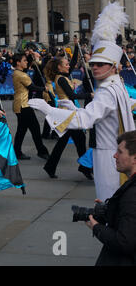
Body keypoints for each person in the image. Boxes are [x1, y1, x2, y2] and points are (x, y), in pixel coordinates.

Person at [29, 35, 135, 201]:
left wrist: (49, 110)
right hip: (116, 148)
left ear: (113, 66)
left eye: (101, 64)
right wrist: (74, 109)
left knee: (109, 197)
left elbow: (85, 119)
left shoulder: (106, 89)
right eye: (93, 64)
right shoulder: (117, 84)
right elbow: (123, 106)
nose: (95, 67)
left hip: (108, 152)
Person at [85, 130, 136, 266]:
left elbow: (124, 242)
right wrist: (111, 210)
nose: (114, 156)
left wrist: (96, 227)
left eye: (120, 152)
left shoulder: (132, 194)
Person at [42, 56, 93, 180]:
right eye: (66, 64)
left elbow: (73, 63)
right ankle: (84, 167)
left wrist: (76, 47)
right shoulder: (62, 79)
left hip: (69, 113)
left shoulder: (62, 77)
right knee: (75, 140)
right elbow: (71, 95)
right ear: (59, 67)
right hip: (67, 114)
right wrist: (89, 94)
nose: (68, 66)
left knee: (75, 140)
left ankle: (83, 167)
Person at [12, 53, 50, 160]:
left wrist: (30, 55)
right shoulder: (21, 75)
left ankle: (17, 151)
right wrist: (44, 89)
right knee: (35, 128)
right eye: (24, 61)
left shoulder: (17, 72)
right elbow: (32, 87)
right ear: (18, 63)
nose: (26, 62)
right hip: (23, 105)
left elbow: (27, 66)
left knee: (22, 130)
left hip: (20, 104)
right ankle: (41, 151)